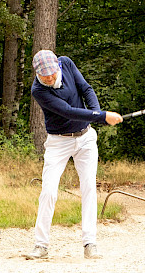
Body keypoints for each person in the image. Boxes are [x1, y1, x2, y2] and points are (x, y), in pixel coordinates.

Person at [26, 49, 123, 260]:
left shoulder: (67, 63)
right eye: (44, 76)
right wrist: (102, 116)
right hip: (58, 142)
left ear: (57, 66)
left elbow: (86, 89)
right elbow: (68, 111)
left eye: (52, 73)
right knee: (49, 191)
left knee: (88, 186)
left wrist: (97, 115)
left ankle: (90, 243)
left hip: (85, 138)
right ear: (37, 74)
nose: (49, 78)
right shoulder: (38, 91)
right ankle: (41, 245)